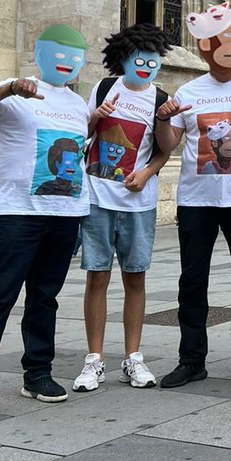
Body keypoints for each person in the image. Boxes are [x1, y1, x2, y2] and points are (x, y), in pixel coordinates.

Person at [0, 24, 90, 424]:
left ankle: (38, 374)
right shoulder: (14, 88)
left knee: (45, 298)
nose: (67, 61)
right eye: (61, 53)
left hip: (65, 217)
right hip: (18, 214)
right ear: (42, 53)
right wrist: (7, 90)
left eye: (75, 55)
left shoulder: (78, 104)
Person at [154, 4, 231, 389]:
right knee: (192, 281)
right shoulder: (188, 91)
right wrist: (162, 118)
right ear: (207, 47)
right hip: (196, 201)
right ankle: (191, 360)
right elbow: (170, 144)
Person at [72, 23, 172, 394]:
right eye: (138, 59)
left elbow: (164, 150)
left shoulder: (161, 98)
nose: (146, 66)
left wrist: (145, 172)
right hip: (97, 197)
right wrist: (96, 116)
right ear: (124, 60)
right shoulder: (103, 88)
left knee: (135, 277)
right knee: (96, 277)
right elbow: (79, 135)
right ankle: (94, 360)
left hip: (137, 203)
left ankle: (133, 357)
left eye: (152, 60)